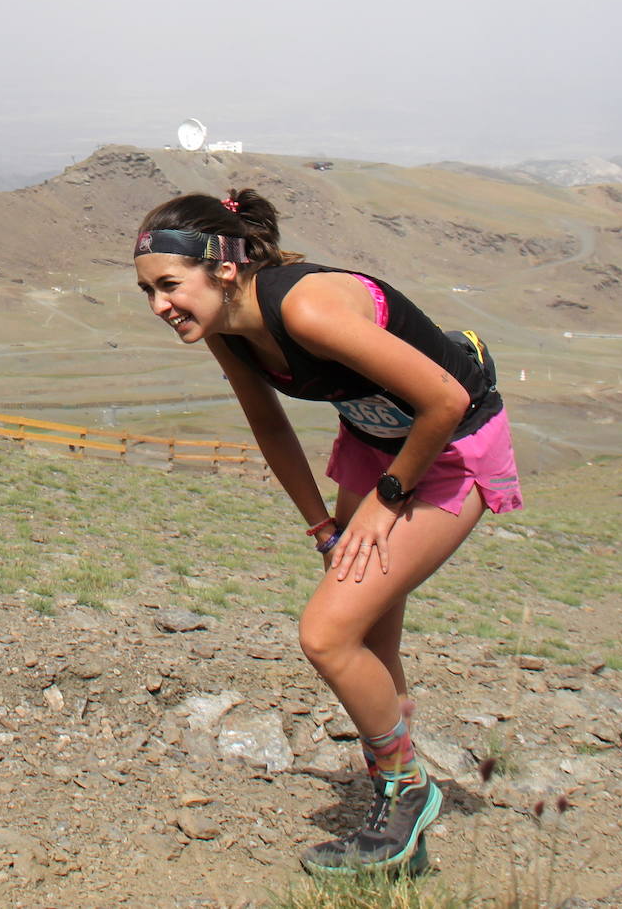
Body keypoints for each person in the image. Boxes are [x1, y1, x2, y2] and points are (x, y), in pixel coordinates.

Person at [132, 189, 522, 875]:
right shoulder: (224, 328)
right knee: (369, 635)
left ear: (225, 269)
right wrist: (320, 524)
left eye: (168, 285)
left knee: (327, 633)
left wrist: (385, 499)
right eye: (148, 291)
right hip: (376, 447)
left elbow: (446, 400)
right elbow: (269, 422)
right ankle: (401, 827)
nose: (160, 305)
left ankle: (409, 791)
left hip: (448, 446)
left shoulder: (305, 307)